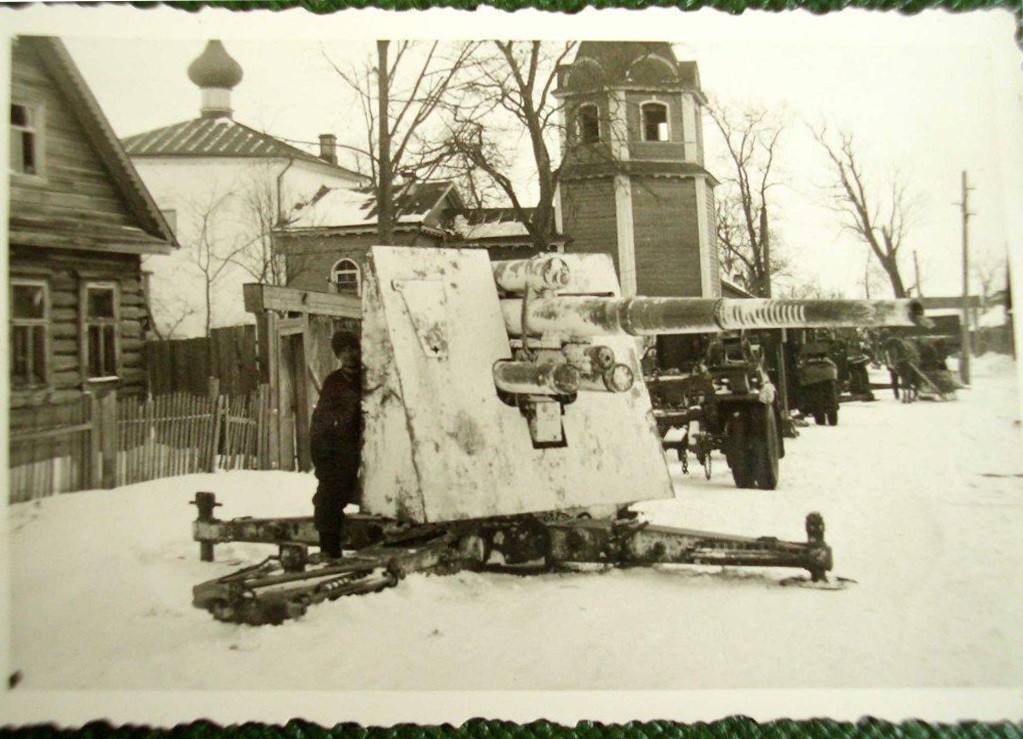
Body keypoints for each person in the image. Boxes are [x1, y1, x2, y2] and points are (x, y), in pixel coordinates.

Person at [310, 328, 363, 560]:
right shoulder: (334, 382)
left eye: (353, 348)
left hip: (368, 447)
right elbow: (320, 420)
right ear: (338, 355)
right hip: (343, 450)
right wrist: (321, 456)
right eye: (344, 351)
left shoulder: (370, 378)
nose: (350, 354)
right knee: (327, 497)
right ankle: (329, 552)